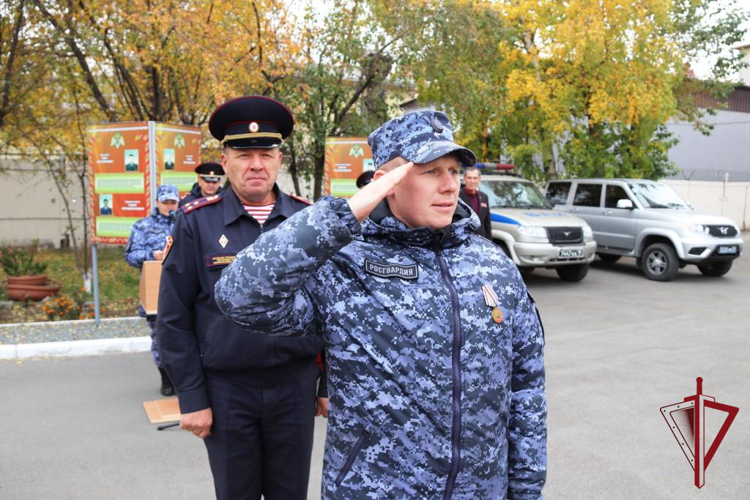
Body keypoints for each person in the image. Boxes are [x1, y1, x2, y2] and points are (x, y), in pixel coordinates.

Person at [215, 110, 547, 499]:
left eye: (454, 171)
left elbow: (526, 384)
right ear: (386, 184)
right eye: (429, 172)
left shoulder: (492, 263)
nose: (449, 186)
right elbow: (240, 296)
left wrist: (526, 489)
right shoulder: (345, 264)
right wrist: (343, 215)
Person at [157, 96, 327, 500]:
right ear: (225, 159)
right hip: (228, 391)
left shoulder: (308, 221)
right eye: (244, 153)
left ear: (279, 159)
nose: (256, 164)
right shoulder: (196, 222)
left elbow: (330, 309)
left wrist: (327, 385)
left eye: (266, 153)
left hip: (294, 385)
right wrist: (192, 397)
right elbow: (174, 316)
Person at [124, 184, 179, 396]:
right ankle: (166, 376)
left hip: (183, 290)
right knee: (160, 336)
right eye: (164, 202)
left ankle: (184, 377)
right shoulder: (143, 226)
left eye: (172, 202)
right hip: (156, 291)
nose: (168, 206)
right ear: (157, 202)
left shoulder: (185, 222)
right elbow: (131, 255)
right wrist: (152, 254)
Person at [459, 166, 492, 239]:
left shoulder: (484, 197)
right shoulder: (457, 196)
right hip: (463, 240)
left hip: (481, 240)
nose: (472, 181)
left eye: (475, 178)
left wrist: (489, 241)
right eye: (469, 178)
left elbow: (487, 223)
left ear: (479, 180)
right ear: (464, 179)